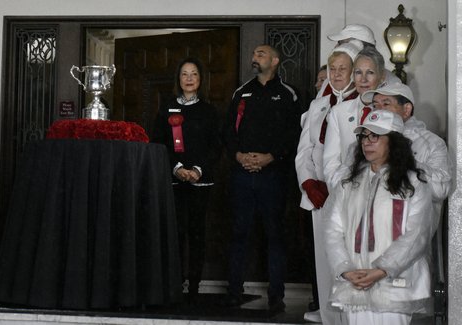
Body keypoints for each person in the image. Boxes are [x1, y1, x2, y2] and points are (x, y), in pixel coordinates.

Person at [325, 109, 432, 324]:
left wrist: (383, 269)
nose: (367, 142)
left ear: (394, 142)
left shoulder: (413, 184)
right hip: (355, 283)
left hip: (395, 286)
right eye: (364, 136)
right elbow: (333, 230)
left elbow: (417, 234)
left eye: (375, 136)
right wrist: (345, 270)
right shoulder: (349, 183)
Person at [224, 44, 301, 314]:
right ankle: (234, 293)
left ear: (275, 60)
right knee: (238, 233)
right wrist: (239, 156)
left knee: (275, 235)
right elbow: (228, 132)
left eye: (261, 54)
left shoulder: (288, 93)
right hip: (242, 174)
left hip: (273, 175)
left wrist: (271, 157)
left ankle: (276, 297)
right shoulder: (241, 92)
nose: (254, 57)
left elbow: (294, 135)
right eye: (253, 54)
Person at [295, 41, 362, 324]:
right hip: (318, 195)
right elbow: (305, 150)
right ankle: (328, 317)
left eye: (342, 69)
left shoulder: (363, 104)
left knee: (348, 260)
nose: (336, 74)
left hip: (349, 195)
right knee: (323, 262)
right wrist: (309, 183)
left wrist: (335, 187)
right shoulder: (318, 105)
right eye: (332, 68)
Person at [151, 57, 221, 302]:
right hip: (174, 181)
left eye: (194, 74)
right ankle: (176, 281)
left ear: (200, 79)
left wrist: (198, 170)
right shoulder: (167, 108)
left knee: (197, 233)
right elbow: (158, 142)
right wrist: (177, 168)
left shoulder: (209, 111)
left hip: (201, 182)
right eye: (184, 74)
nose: (189, 78)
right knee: (176, 232)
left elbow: (215, 146)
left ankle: (194, 284)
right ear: (178, 79)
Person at [361, 83, 450, 232]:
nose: (379, 110)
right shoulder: (366, 141)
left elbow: (441, 190)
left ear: (407, 109)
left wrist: (405, 160)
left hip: (412, 236)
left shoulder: (432, 143)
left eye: (386, 104)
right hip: (366, 234)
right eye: (375, 106)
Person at [322, 46, 387, 190]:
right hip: (345, 191)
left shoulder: (389, 113)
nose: (363, 79)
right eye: (358, 72)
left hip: (382, 191)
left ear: (381, 76)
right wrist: (345, 191)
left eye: (370, 72)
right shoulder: (338, 112)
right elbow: (330, 163)